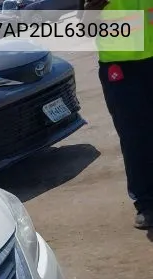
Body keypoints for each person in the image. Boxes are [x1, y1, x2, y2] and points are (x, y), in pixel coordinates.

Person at [80, 0, 153, 230]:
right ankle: (146, 203)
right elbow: (85, 28)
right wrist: (92, 9)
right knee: (134, 137)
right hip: (119, 68)